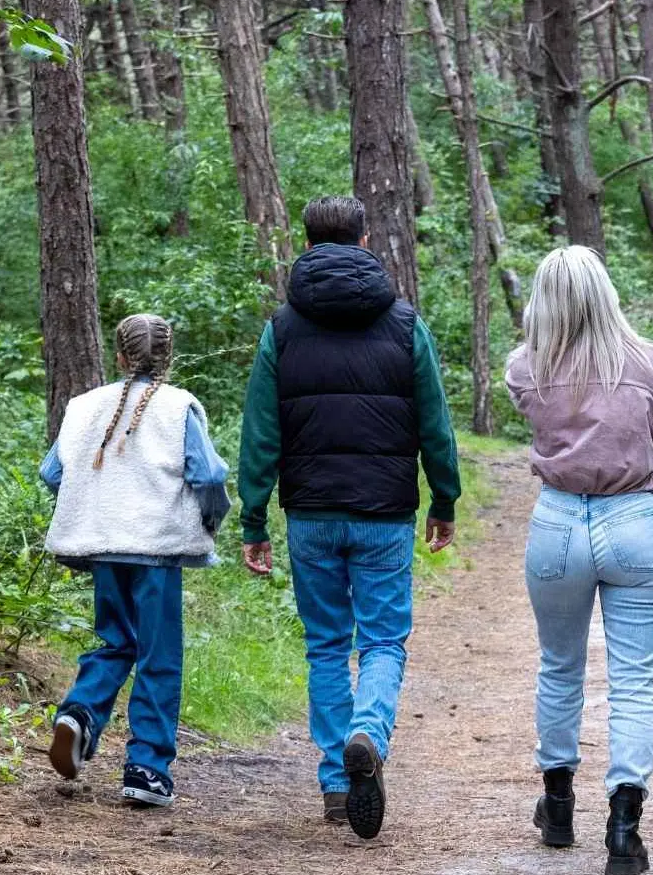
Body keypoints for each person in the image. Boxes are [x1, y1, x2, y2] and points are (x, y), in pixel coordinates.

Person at [236, 196, 462, 840]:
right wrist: (444, 499)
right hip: (385, 512)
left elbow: (260, 432)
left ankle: (338, 780)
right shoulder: (405, 323)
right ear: (365, 240)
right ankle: (369, 732)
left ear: (307, 244)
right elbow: (435, 422)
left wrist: (253, 518)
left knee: (327, 645)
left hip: (310, 513)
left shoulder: (282, 328)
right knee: (383, 641)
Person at [506, 246, 653, 875]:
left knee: (559, 667)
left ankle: (558, 806)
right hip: (633, 517)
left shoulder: (526, 367)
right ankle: (623, 827)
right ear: (605, 294)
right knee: (632, 680)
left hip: (557, 521)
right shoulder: (645, 362)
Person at [39, 313, 232, 808]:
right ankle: (147, 767)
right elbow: (208, 475)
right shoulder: (179, 407)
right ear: (169, 357)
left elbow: (53, 472)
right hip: (157, 551)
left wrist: (98, 504)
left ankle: (79, 714)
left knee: (116, 640)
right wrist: (211, 521)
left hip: (104, 547)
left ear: (120, 357)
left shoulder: (85, 406)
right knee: (158, 656)